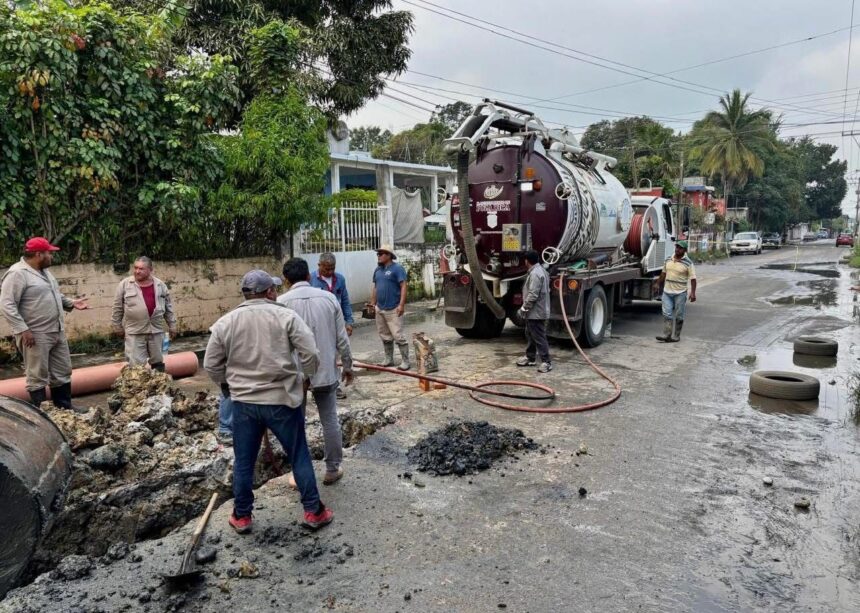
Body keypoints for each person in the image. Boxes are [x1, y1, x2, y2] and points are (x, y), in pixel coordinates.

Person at [204, 270, 332, 533]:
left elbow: (211, 364)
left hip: (244, 403)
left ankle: (242, 515)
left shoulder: (226, 322)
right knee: (298, 454)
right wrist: (305, 378)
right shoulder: (286, 316)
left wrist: (228, 386)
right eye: (274, 288)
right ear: (270, 292)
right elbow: (310, 353)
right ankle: (314, 511)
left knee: (244, 461)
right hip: (281, 399)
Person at [279, 258, 354, 485]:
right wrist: (348, 366)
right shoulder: (329, 299)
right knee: (329, 419)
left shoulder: (280, 303)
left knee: (295, 423)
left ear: (286, 280)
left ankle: (298, 472)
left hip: (295, 374)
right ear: (308, 276)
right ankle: (332, 469)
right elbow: (342, 339)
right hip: (325, 370)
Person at [0, 237, 89, 410]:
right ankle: (43, 413)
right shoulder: (17, 273)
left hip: (56, 330)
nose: (51, 256)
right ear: (38, 254)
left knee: (62, 371)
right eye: (49, 253)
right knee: (37, 375)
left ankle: (64, 409)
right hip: (35, 333)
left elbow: (53, 294)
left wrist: (71, 303)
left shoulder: (44, 271)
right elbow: (7, 304)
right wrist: (23, 329)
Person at [111, 256, 176, 371]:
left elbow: (168, 308)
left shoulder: (160, 285)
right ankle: (138, 383)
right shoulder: (125, 285)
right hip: (135, 331)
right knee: (136, 365)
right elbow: (117, 308)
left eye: (141, 269)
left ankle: (159, 381)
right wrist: (117, 326)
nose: (137, 271)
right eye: (135, 268)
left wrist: (172, 325)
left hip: (156, 330)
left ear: (150, 269)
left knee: (158, 361)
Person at [310, 252, 354, 399]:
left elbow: (345, 301)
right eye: (326, 268)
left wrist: (349, 321)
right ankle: (316, 386)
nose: (329, 271)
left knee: (336, 355)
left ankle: (335, 386)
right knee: (320, 356)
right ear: (319, 265)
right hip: (319, 324)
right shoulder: (311, 280)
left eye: (332, 268)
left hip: (337, 322)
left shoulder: (340, 279)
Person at [370, 245, 410, 370]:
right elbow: (375, 287)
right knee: (384, 335)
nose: (378, 256)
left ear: (389, 255)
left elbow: (403, 286)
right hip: (380, 308)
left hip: (393, 308)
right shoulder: (378, 270)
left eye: (381, 254)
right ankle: (389, 359)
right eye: (378, 254)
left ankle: (405, 361)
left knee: (398, 335)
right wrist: (372, 303)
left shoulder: (397, 269)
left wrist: (401, 305)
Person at [516, 250, 552, 373]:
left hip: (536, 313)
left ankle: (547, 362)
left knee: (539, 337)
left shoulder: (536, 274)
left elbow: (533, 295)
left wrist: (523, 308)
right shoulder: (541, 271)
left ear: (527, 261)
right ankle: (530, 358)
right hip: (535, 312)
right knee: (530, 334)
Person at [655, 240, 697, 343]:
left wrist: (693, 293)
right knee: (667, 313)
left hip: (680, 293)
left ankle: (676, 336)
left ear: (685, 250)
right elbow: (663, 273)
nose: (677, 249)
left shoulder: (688, 263)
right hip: (667, 292)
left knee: (679, 315)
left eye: (680, 248)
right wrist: (657, 283)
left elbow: (693, 279)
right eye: (677, 247)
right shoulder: (668, 259)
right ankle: (667, 335)